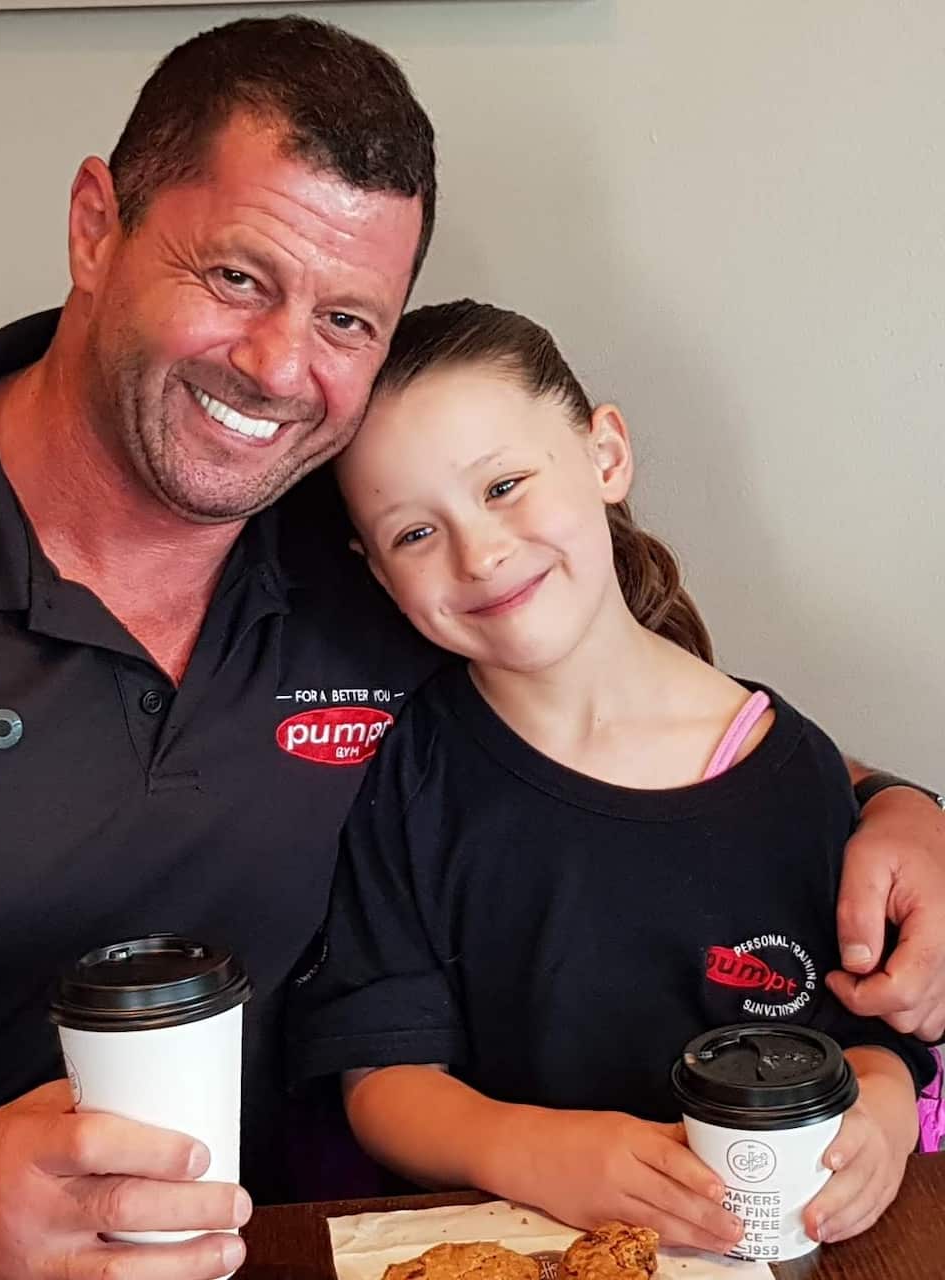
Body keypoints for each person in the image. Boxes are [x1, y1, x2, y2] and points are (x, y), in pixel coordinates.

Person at [0, 15, 942, 1280]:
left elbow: (635, 742)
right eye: (235, 276)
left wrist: (893, 810)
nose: (280, 367)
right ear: (96, 225)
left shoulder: (375, 553)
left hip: (301, 1246)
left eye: (348, 318)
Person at [288, 300, 937, 1254]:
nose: (481, 552)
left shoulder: (788, 766)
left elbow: (870, 1036)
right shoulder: (409, 774)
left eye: (504, 484)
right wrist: (534, 1150)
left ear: (605, 455)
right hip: (520, 1246)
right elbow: (383, 1081)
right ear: (379, 575)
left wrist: (880, 1109)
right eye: (414, 535)